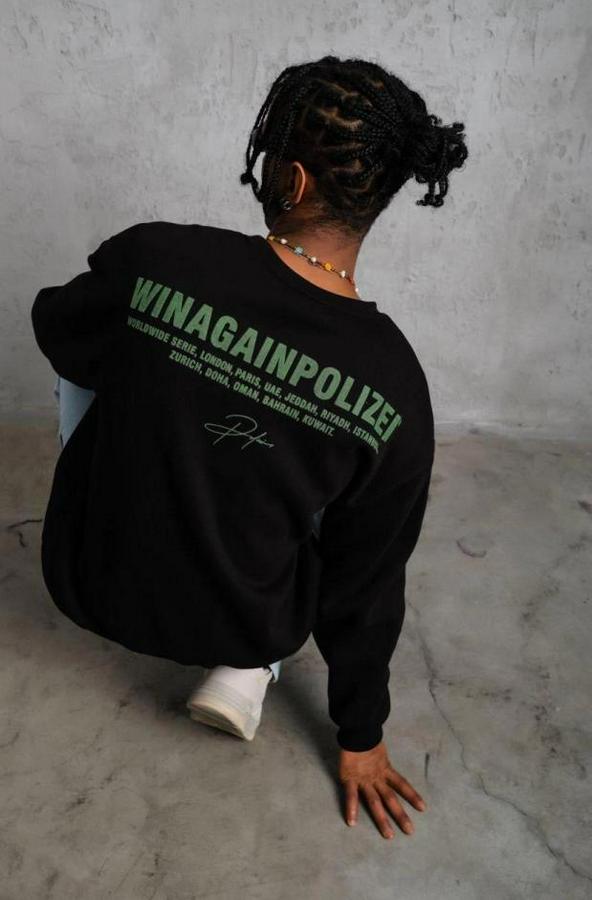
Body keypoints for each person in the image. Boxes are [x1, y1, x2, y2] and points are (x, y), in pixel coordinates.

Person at [31, 54, 468, 840]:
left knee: (107, 340)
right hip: (240, 624)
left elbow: (56, 327)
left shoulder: (157, 258)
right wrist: (361, 736)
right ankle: (248, 670)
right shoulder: (394, 388)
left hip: (84, 579)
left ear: (290, 181)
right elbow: (365, 589)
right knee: (328, 488)